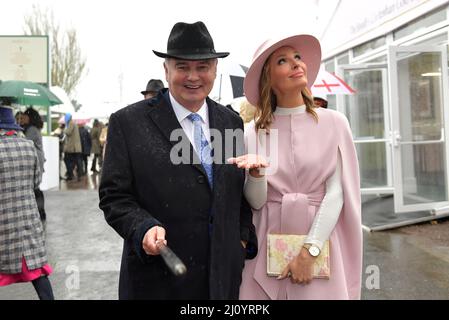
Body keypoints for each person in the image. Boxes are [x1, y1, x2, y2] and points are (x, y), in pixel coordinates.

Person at [99, 21, 257, 300]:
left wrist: (240, 241)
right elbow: (114, 197)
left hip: (220, 281)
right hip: (158, 281)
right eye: (183, 67)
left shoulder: (230, 122)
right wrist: (142, 227)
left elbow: (236, 192)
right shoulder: (128, 123)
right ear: (166, 69)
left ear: (215, 70)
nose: (193, 77)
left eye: (202, 67)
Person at [230, 34, 362, 299]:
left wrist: (309, 252)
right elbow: (256, 203)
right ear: (268, 77)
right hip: (265, 247)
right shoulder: (249, 133)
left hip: (319, 243)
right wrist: (256, 175)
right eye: (283, 60)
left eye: (298, 58)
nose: (296, 64)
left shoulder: (335, 123)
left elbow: (336, 194)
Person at [0, 102, 54, 300]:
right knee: (38, 271)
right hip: (28, 221)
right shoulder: (29, 146)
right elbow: (36, 181)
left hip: (3, 223)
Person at [21, 107, 47, 224]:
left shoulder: (31, 129)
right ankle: (41, 212)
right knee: (36, 187)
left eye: (24, 116)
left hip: (35, 160)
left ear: (30, 117)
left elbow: (24, 142)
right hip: (37, 159)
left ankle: (40, 212)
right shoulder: (33, 128)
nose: (22, 119)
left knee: (35, 187)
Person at [63, 113, 83, 181]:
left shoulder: (71, 123)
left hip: (73, 147)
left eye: (65, 117)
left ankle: (71, 175)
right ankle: (78, 175)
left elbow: (68, 132)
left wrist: (63, 129)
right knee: (77, 161)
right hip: (76, 147)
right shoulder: (73, 123)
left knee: (67, 160)